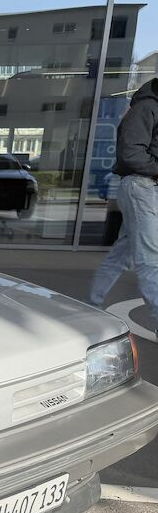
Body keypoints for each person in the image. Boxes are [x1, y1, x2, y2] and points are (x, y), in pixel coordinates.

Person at [89, 79, 158, 340]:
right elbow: (131, 153)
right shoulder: (147, 107)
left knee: (121, 255)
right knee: (150, 260)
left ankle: (90, 303)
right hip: (142, 186)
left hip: (147, 187)